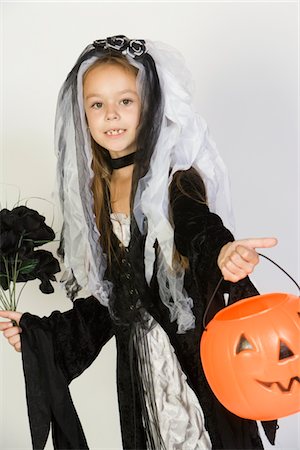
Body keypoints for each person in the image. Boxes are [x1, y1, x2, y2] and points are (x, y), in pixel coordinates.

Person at [0, 35, 278, 450]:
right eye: (97, 104)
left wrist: (223, 252)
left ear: (149, 106)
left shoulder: (174, 181)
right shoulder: (96, 195)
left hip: (191, 365)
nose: (111, 115)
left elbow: (198, 227)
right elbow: (111, 304)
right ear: (83, 115)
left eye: (125, 101)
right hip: (140, 376)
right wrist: (44, 336)